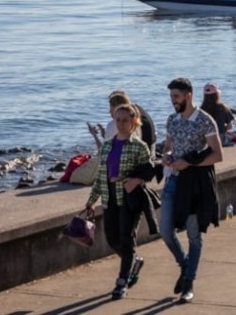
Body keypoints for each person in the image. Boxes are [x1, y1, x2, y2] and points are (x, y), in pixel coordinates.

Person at [160, 77, 223, 303]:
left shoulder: (205, 121)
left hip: (196, 184)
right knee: (165, 231)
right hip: (173, 181)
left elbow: (217, 155)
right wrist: (167, 156)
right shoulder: (172, 120)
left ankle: (189, 283)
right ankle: (185, 265)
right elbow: (168, 147)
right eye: (171, 97)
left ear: (189, 95)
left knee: (194, 236)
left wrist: (189, 163)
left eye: (176, 96)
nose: (172, 101)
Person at [85, 104, 154, 300]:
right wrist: (91, 200)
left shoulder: (139, 146)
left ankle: (122, 282)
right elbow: (100, 175)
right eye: (118, 120)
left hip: (129, 199)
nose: (122, 124)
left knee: (126, 238)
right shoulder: (108, 146)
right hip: (109, 197)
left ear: (134, 122)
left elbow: (149, 171)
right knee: (112, 237)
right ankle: (133, 261)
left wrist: (137, 180)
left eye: (125, 120)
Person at [89, 90, 157, 159]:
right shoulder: (135, 119)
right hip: (146, 155)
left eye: (111, 109)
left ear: (117, 108)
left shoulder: (113, 124)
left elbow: (103, 153)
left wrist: (95, 136)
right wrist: (104, 135)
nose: (109, 112)